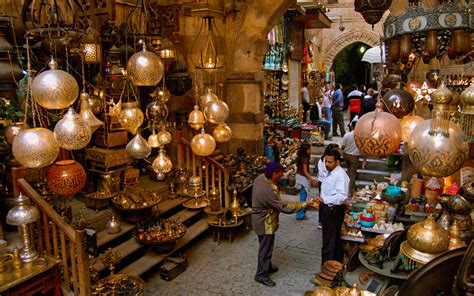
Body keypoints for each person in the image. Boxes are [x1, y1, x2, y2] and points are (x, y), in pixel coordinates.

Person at [252, 161, 308, 287]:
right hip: (265, 223)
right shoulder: (268, 191)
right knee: (265, 248)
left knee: (266, 245)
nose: (281, 176)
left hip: (258, 220)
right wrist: (305, 204)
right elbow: (284, 207)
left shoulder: (260, 178)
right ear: (274, 174)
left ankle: (267, 266)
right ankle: (261, 274)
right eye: (280, 174)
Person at [313, 149, 349, 264]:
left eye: (330, 162)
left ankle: (326, 270)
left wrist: (325, 199)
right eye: (325, 161)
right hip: (327, 209)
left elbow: (342, 196)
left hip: (333, 211)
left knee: (329, 243)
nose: (327, 164)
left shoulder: (340, 176)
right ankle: (334, 267)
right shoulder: (330, 172)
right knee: (332, 241)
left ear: (337, 162)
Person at [295, 142, 318, 220]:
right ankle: (299, 214)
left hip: (299, 176)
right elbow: (305, 171)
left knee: (302, 196)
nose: (310, 150)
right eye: (309, 149)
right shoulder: (305, 159)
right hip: (302, 178)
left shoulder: (300, 156)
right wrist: (312, 179)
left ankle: (301, 212)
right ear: (306, 150)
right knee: (303, 198)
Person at [341, 121, 362, 194]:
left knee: (348, 172)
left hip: (346, 155)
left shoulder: (347, 135)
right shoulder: (360, 136)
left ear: (352, 127)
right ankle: (350, 190)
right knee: (352, 174)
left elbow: (343, 146)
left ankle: (346, 187)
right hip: (354, 157)